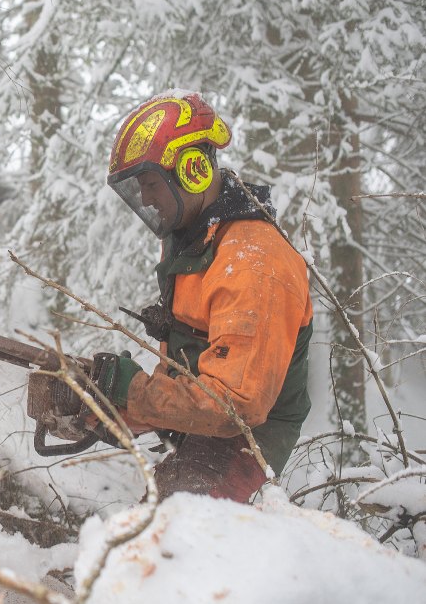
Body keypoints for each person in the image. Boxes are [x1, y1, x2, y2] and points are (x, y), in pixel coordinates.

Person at [94, 91, 313, 503]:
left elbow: (237, 406)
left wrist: (135, 393)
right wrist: (116, 404)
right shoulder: (194, 236)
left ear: (193, 170)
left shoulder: (253, 261)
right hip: (206, 409)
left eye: (151, 183)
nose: (145, 198)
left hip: (248, 431)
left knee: (172, 523)